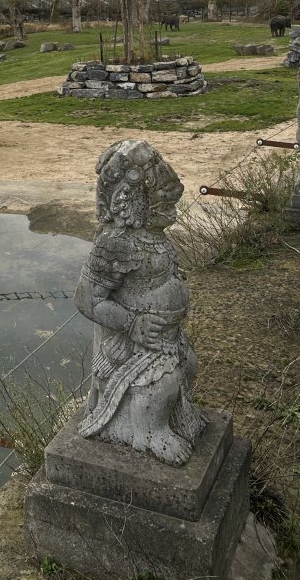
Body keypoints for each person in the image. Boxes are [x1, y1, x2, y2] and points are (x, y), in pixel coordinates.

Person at [75, 140, 205, 466]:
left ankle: (168, 420)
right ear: (133, 201)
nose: (173, 212)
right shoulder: (115, 243)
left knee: (188, 366)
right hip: (130, 343)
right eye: (165, 205)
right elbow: (87, 299)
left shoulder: (153, 236)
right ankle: (147, 433)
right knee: (163, 384)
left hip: (164, 337)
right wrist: (132, 324)